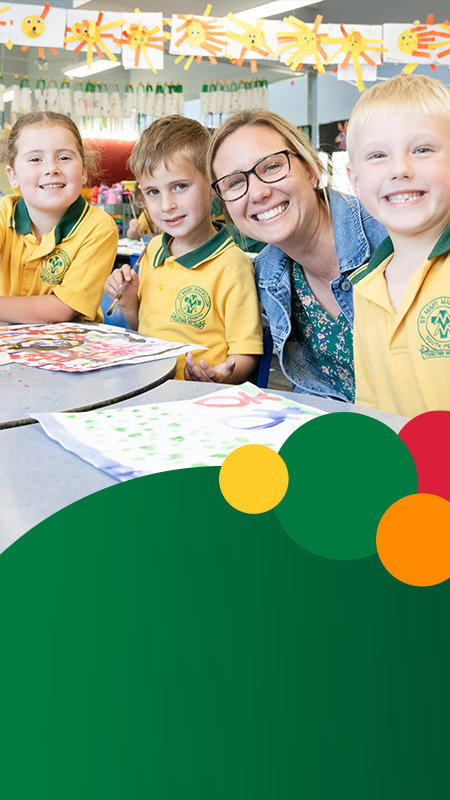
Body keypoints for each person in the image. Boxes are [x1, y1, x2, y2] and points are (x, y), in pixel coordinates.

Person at [208, 111, 387, 401]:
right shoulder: (268, 273)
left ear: (309, 170)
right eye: (235, 183)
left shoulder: (386, 230)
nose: (258, 193)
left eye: (271, 167)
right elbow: (313, 389)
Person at [104, 115, 263, 383]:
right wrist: (130, 303)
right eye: (153, 192)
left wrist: (220, 377)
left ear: (213, 183)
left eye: (180, 186)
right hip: (146, 388)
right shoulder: (152, 250)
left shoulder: (232, 265)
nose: (167, 205)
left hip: (199, 401)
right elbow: (143, 328)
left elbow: (246, 353)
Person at [346, 73, 450, 418]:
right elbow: (370, 406)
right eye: (378, 155)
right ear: (355, 181)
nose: (400, 169)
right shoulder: (364, 285)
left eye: (422, 150)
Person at [0, 111, 118, 323]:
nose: (51, 168)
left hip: (72, 349)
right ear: (13, 176)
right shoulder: (3, 214)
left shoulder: (98, 227)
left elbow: (60, 310)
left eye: (64, 158)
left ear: (83, 171)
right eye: (35, 159)